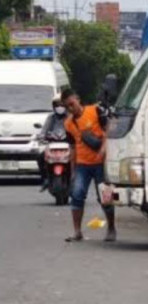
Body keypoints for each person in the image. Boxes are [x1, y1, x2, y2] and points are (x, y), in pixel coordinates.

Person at [61, 88, 116, 242]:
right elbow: (72, 147)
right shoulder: (68, 124)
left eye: (72, 104)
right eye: (67, 107)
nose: (71, 108)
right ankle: (77, 232)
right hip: (82, 165)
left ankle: (111, 228)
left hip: (101, 163)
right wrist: (72, 171)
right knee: (77, 195)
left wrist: (103, 150)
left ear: (78, 99)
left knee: (105, 197)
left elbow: (109, 128)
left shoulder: (95, 111)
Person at [38, 98, 68, 191]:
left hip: (67, 144)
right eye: (57, 105)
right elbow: (44, 130)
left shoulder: (69, 116)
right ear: (54, 107)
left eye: (62, 105)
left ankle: (75, 178)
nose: (60, 107)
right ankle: (45, 179)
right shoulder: (50, 117)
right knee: (40, 157)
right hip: (52, 144)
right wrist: (42, 136)